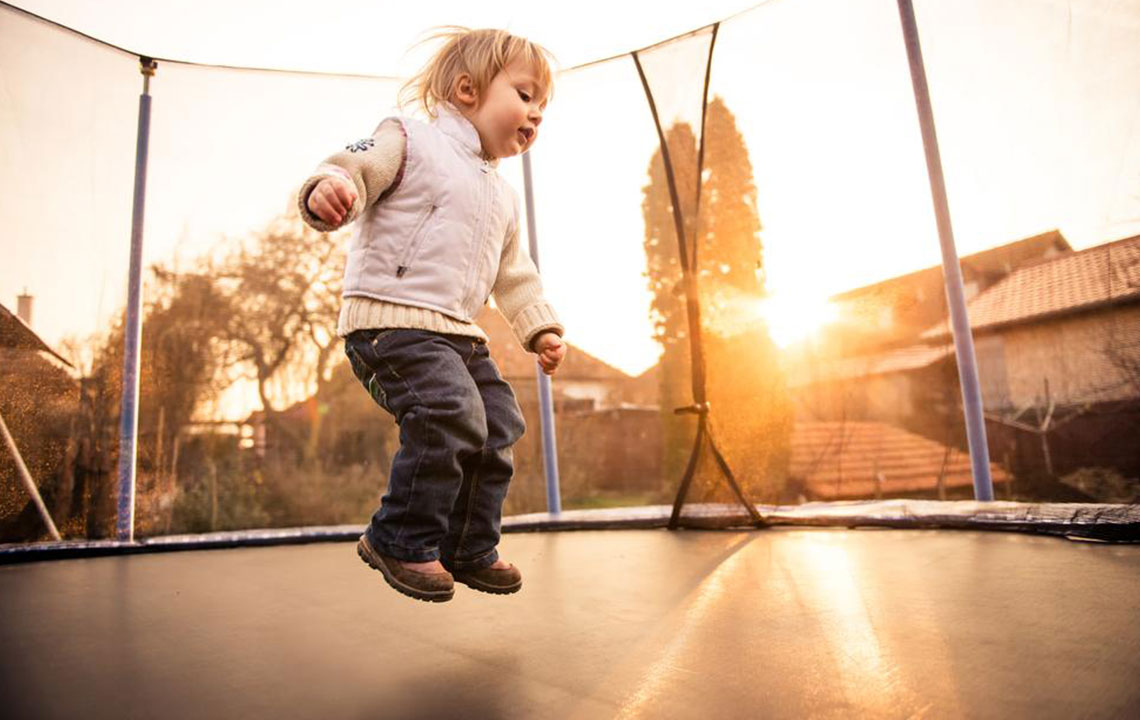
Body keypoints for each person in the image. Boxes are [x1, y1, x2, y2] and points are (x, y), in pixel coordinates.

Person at [297, 28, 566, 602]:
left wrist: (538, 325)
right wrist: (329, 186)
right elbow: (352, 167)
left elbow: (513, 274)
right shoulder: (409, 139)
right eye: (524, 95)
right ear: (467, 90)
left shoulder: (502, 196)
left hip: (456, 335)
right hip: (391, 323)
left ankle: (466, 544)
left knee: (498, 425)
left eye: (543, 106)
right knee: (450, 411)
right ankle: (398, 537)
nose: (535, 113)